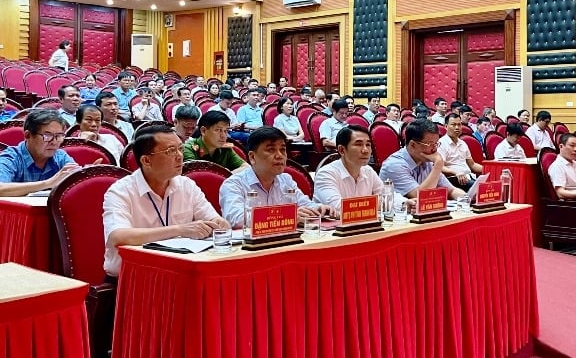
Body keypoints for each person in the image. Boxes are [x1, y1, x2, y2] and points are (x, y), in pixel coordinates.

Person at [102, 125, 229, 277]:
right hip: (133, 279)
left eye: (180, 149)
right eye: (170, 151)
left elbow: (214, 219)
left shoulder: (186, 185)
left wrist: (219, 224)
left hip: (180, 274)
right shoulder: (121, 191)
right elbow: (118, 236)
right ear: (146, 160)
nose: (180, 156)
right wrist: (180, 230)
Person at [219, 127, 333, 228]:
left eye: (282, 150)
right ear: (252, 157)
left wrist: (319, 209)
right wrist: (286, 216)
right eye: (271, 150)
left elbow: (305, 205)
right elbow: (235, 219)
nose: (279, 156)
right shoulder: (234, 184)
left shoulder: (286, 179)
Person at [379, 119, 465, 200]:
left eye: (436, 144)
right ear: (413, 144)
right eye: (430, 144)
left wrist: (467, 198)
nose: (434, 149)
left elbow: (452, 191)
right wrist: (438, 164)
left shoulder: (426, 161)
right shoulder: (394, 165)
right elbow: (421, 197)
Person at [0, 109, 79, 196]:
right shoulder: (11, 157)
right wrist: (48, 183)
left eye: (59, 136)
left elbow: (78, 182)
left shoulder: (61, 156)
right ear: (28, 135)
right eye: (47, 135)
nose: (54, 142)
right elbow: (1, 188)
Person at [313, 126, 386, 212]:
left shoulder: (368, 170)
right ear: (341, 150)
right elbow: (340, 208)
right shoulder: (326, 174)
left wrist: (403, 202)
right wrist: (378, 203)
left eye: (368, 145)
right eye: (358, 144)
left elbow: (387, 196)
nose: (365, 150)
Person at [438, 113, 482, 188]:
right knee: (481, 189)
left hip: (469, 177)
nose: (457, 127)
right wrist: (455, 173)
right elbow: (439, 167)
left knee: (490, 186)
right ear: (446, 126)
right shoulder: (441, 144)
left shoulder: (463, 143)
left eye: (459, 125)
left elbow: (472, 165)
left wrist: (488, 168)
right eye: (453, 125)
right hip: (454, 179)